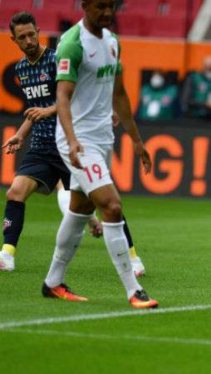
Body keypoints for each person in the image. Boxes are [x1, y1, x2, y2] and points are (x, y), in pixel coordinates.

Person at [0, 12, 147, 278]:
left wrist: (49, 112)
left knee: (106, 202)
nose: (29, 40)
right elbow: (37, 108)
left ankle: (133, 259)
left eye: (32, 33)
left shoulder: (57, 58)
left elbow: (75, 95)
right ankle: (6, 254)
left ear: (38, 30)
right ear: (14, 40)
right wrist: (21, 134)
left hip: (72, 142)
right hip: (43, 146)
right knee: (15, 192)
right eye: (22, 37)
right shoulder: (22, 68)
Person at [42, 0, 157, 308]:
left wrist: (136, 139)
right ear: (85, 5)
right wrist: (72, 140)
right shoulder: (72, 43)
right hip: (79, 143)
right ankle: (134, 290)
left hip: (103, 139)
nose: (107, 13)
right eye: (100, 6)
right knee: (112, 206)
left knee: (79, 209)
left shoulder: (112, 41)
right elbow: (62, 97)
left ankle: (53, 282)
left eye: (111, 7)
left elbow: (119, 94)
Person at [181, 56, 211, 120]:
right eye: (208, 67)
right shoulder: (194, 78)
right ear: (204, 66)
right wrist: (205, 104)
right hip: (195, 116)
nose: (210, 70)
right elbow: (186, 99)